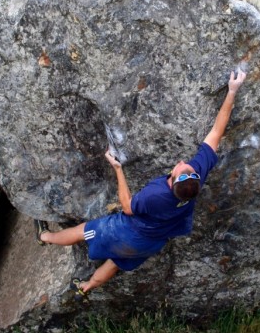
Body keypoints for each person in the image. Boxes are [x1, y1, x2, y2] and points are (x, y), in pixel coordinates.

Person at [34, 70, 246, 300]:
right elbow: (217, 131)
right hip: (149, 244)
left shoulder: (156, 195)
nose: (183, 162)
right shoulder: (195, 180)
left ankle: (45, 237)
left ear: (172, 181)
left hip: (127, 233)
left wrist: (117, 169)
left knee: (83, 231)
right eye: (188, 167)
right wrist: (232, 91)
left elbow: (127, 206)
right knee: (115, 262)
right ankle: (85, 287)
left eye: (181, 168)